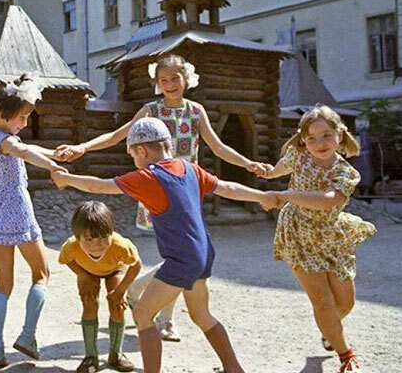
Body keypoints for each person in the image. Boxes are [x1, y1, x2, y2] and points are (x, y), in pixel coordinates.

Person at [55, 54, 269, 341]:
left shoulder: (196, 111)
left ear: (186, 79)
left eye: (175, 78)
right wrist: (83, 148)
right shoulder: (150, 111)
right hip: (155, 187)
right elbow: (117, 135)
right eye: (163, 79)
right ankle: (165, 317)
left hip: (187, 187)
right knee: (175, 253)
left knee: (179, 254)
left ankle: (149, 301)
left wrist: (247, 163)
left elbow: (218, 147)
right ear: (156, 83)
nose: (170, 84)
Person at [52, 117, 278, 373]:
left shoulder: (148, 177)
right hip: (204, 254)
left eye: (133, 156)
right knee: (201, 315)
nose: (134, 161)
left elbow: (98, 186)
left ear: (142, 150)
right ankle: (233, 368)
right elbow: (227, 188)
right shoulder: (191, 168)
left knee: (143, 315)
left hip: (182, 260)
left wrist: (66, 179)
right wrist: (262, 196)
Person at [261, 105, 377, 373]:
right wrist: (266, 171)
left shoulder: (346, 173)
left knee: (345, 302)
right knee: (322, 301)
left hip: (331, 235)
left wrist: (285, 195)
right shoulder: (298, 155)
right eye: (311, 138)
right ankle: (345, 354)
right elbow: (278, 170)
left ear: (339, 134)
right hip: (298, 233)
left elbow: (328, 201)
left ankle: (329, 331)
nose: (320, 143)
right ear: (303, 140)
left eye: (326, 136)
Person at [0, 76, 66, 367]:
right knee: (42, 273)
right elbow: (23, 150)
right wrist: (54, 166)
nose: (25, 122)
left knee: (3, 284)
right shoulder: (7, 142)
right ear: (2, 114)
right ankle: (27, 335)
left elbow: (26, 147)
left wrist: (55, 152)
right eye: (21, 117)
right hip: (18, 214)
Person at [59, 201, 143, 372]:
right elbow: (66, 260)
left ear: (111, 231)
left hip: (115, 269)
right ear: (78, 237)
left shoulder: (120, 245)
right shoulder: (72, 246)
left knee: (117, 306)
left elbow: (136, 265)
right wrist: (83, 277)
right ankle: (91, 356)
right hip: (87, 272)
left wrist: (120, 291)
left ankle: (116, 354)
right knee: (89, 303)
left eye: (104, 237)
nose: (97, 245)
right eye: (89, 239)